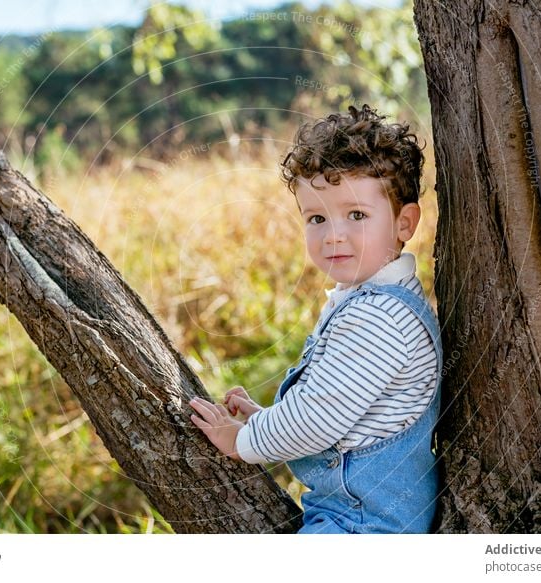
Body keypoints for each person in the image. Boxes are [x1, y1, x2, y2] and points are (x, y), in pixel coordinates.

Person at [189, 104, 442, 534]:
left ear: (404, 222)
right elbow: (332, 405)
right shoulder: (365, 299)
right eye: (317, 218)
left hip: (365, 525)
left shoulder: (381, 319)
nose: (333, 234)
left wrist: (243, 440)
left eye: (356, 215)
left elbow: (316, 420)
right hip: (354, 514)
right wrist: (265, 419)